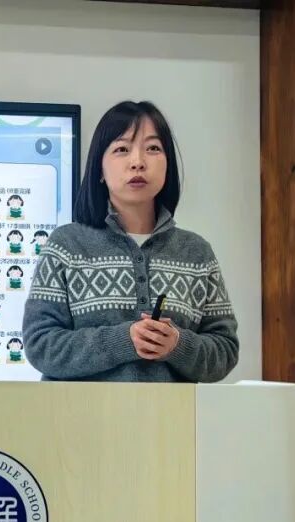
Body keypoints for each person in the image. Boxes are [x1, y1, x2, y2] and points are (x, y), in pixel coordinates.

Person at [22, 101, 238, 383]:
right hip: (79, 413)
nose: (138, 162)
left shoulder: (196, 253)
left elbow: (225, 351)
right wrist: (123, 340)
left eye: (153, 148)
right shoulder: (66, 246)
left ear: (168, 165)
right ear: (100, 168)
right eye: (122, 149)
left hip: (171, 413)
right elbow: (40, 345)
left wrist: (177, 345)